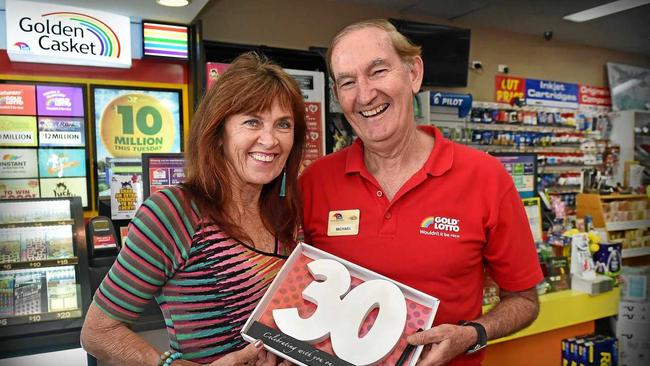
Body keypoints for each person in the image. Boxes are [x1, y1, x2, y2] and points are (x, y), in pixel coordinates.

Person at [299, 19, 543, 366]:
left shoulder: (486, 178)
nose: (365, 94)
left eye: (378, 71)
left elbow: (525, 300)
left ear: (413, 73)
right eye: (348, 82)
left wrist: (472, 334)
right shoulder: (315, 181)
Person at [81, 52, 306, 366]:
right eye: (252, 121)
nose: (270, 140)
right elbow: (98, 332)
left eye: (283, 124)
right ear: (218, 134)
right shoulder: (173, 212)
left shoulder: (288, 213)